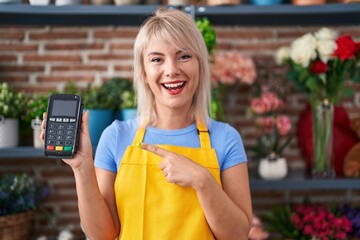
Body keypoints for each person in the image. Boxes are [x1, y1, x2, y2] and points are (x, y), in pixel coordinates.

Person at [41, 8, 252, 240]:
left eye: (184, 56)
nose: (171, 70)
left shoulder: (225, 138)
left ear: (200, 64)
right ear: (143, 72)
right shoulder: (116, 136)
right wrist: (82, 168)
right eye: (156, 59)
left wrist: (202, 181)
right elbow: (102, 235)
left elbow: (238, 235)